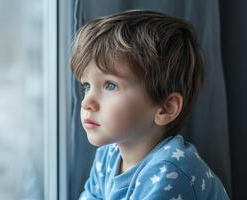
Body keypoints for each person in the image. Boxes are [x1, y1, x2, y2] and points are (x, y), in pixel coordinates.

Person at [71, 9, 230, 200]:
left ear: (165, 108)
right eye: (86, 86)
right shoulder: (107, 155)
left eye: (110, 85)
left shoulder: (171, 173)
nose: (87, 102)